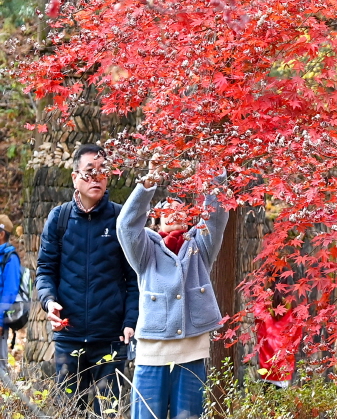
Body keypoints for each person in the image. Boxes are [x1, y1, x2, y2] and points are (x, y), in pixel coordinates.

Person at [117, 165, 229, 419]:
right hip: (152, 352)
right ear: (156, 219)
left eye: (180, 210)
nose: (174, 214)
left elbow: (217, 217)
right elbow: (125, 226)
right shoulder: (146, 249)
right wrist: (147, 183)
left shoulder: (199, 245)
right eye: (167, 210)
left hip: (192, 350)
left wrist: (215, 175)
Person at [36, 143, 138, 416]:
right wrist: (49, 302)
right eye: (89, 171)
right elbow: (45, 269)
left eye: (102, 172)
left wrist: (130, 322)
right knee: (68, 411)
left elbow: (134, 278)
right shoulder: (59, 218)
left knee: (109, 411)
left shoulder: (120, 219)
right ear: (75, 177)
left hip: (111, 339)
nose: (96, 177)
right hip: (69, 337)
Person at [0, 214, 22, 363]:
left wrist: (0, 321)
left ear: (1, 234)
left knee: (1, 367)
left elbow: (10, 292)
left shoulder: (10, 258)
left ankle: (9, 387)